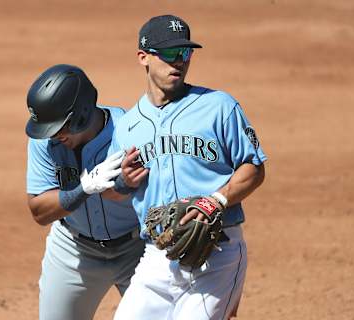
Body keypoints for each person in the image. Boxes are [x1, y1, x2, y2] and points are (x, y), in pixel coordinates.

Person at [109, 15, 267, 319]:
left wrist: (216, 200)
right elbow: (115, 195)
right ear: (143, 57)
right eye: (169, 54)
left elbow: (254, 168)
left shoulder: (220, 106)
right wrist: (124, 184)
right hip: (157, 257)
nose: (179, 61)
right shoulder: (128, 126)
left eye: (185, 53)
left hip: (215, 254)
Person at [25, 64, 145, 320]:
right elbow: (39, 211)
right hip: (73, 249)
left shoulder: (131, 133)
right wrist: (84, 188)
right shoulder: (44, 141)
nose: (53, 136)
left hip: (137, 250)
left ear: (81, 114)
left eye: (59, 127)